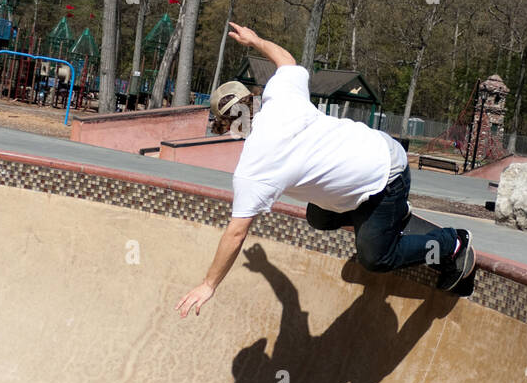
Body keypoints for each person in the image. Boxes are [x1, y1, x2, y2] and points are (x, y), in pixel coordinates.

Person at [176, 23, 474, 318]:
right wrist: (255, 41)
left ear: (228, 124)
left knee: (376, 258)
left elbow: (237, 233)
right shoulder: (281, 94)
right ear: (252, 98)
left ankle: (454, 244)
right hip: (382, 148)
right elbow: (286, 61)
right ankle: (388, 215)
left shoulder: (255, 164)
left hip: (387, 177)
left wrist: (208, 284)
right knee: (318, 215)